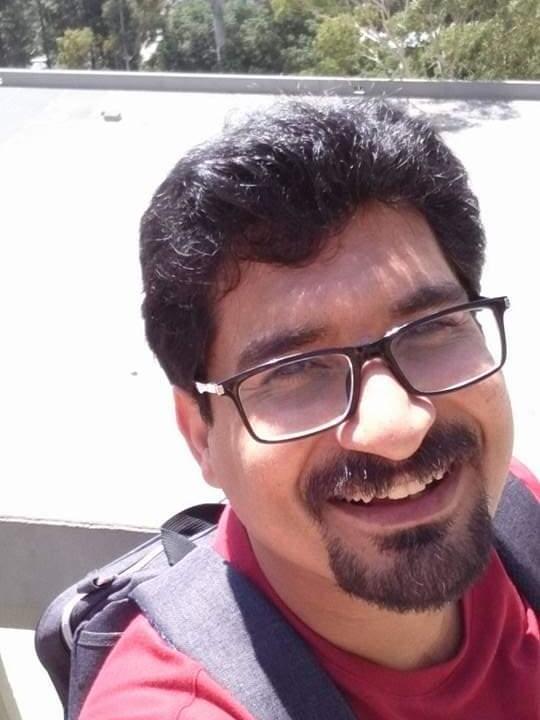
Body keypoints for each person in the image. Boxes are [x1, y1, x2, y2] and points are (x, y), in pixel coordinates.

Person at [79, 98, 539, 719]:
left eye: (432, 328)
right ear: (201, 436)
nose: (397, 426)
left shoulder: (519, 508)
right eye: (294, 371)